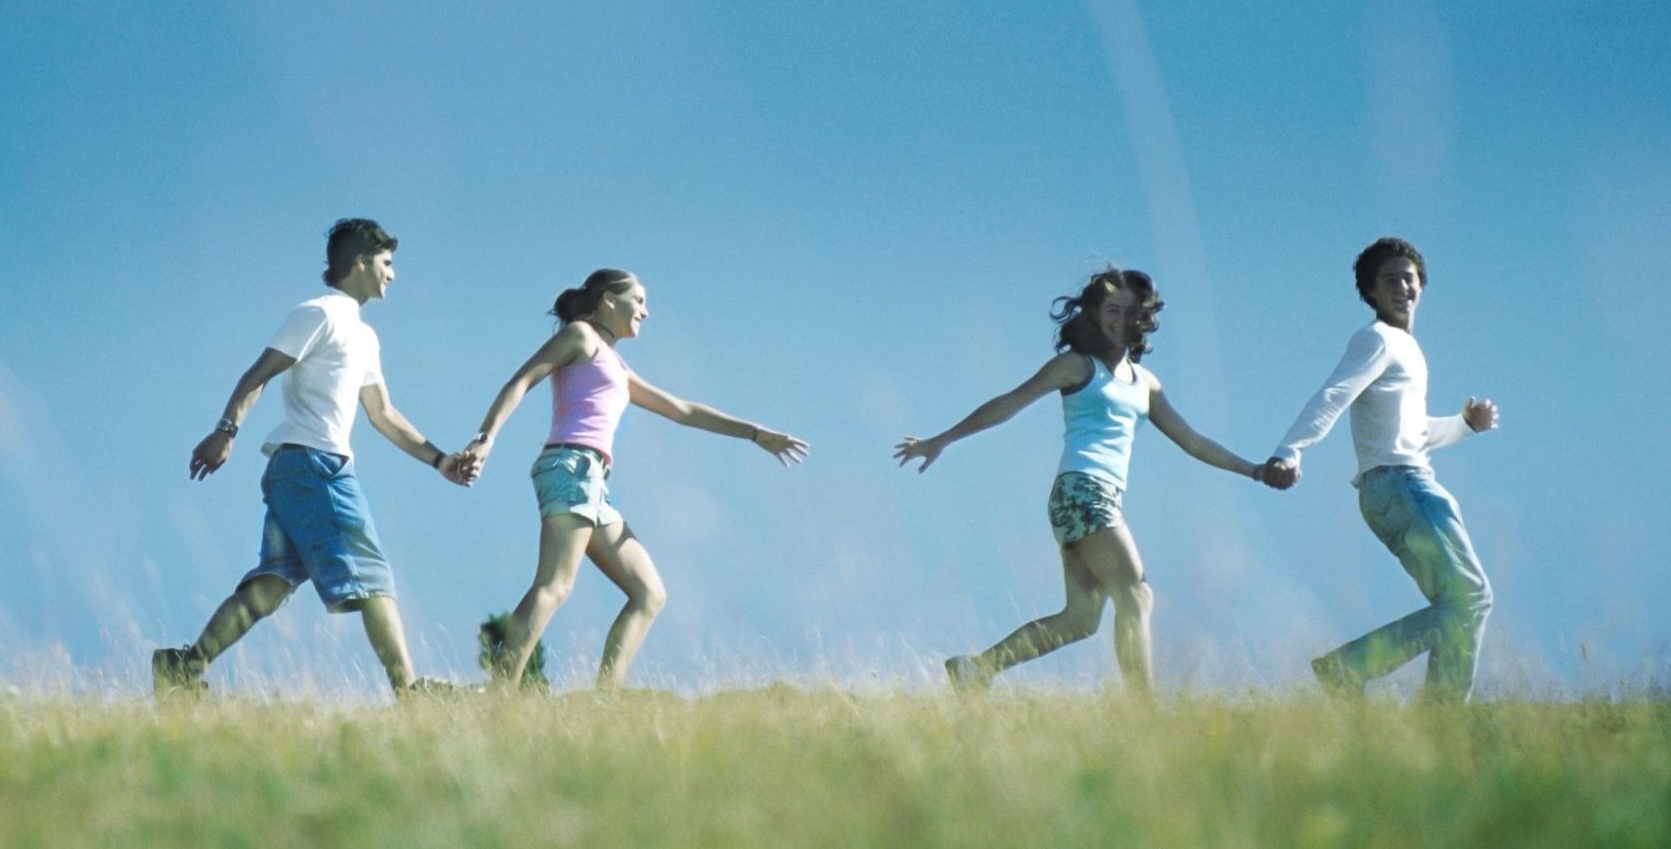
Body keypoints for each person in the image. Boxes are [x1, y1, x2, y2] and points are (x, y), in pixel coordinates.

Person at [896, 268, 1282, 692]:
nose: (1121, 319)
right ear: (1095, 314)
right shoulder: (1077, 367)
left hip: (1100, 498)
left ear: (1145, 318)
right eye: (1112, 310)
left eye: (1132, 311)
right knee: (1137, 596)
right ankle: (1143, 713)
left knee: (1080, 620)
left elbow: (1191, 441)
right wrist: (942, 440)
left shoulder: (1146, 383)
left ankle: (975, 670)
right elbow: (1010, 403)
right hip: (1081, 491)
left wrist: (1254, 470)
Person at [153, 218, 473, 697]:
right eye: (387, 263)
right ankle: (410, 691)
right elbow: (259, 372)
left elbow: (382, 413)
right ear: (360, 262)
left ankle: (184, 666)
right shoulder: (318, 313)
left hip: (297, 470)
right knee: (372, 572)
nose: (394, 274)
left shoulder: (364, 336)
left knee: (273, 583)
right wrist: (226, 430)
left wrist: (439, 460)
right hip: (316, 464)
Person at [459, 270, 808, 689]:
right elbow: (521, 380)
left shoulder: (616, 365)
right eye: (638, 300)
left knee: (648, 594)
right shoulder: (580, 337)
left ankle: (606, 698)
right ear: (609, 299)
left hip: (592, 483)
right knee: (553, 586)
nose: (646, 310)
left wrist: (754, 433)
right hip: (571, 467)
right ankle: (500, 694)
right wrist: (484, 438)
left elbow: (681, 409)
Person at [1260, 237, 1498, 702]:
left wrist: (1464, 426)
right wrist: (1291, 449)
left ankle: (1433, 726)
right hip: (1402, 486)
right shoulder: (1377, 339)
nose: (1402, 286)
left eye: (1408, 277)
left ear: (1422, 286)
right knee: (1471, 599)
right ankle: (1352, 670)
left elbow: (1409, 431)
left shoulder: (1406, 348)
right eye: (1389, 279)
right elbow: (1334, 394)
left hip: (1395, 487)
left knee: (1458, 605)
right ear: (1370, 292)